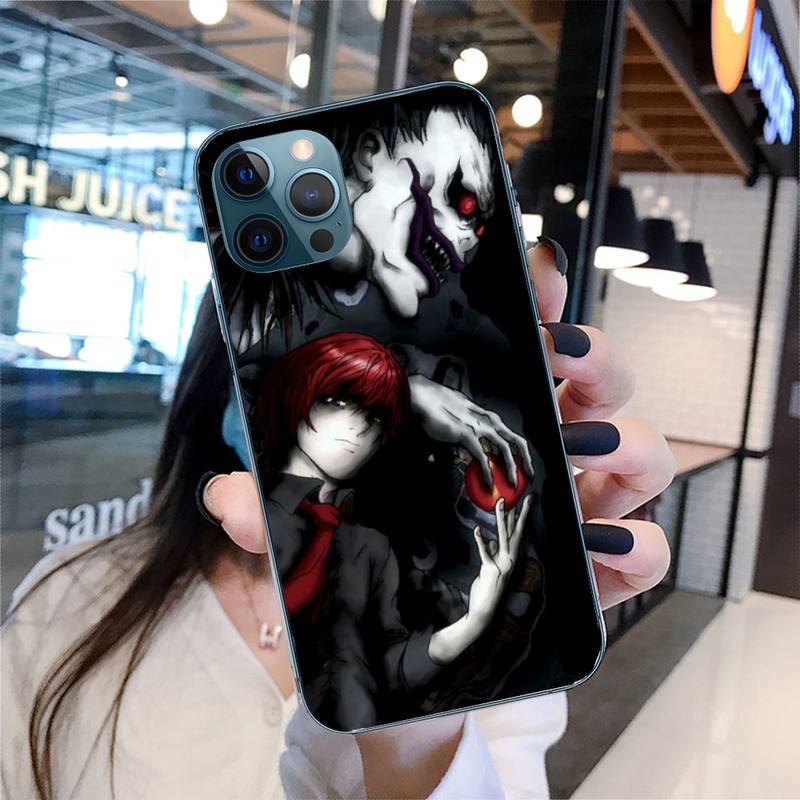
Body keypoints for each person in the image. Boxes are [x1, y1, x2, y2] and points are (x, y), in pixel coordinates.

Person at [1, 242, 674, 799]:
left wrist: (418, 725)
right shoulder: (71, 600)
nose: (347, 428)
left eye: (373, 405)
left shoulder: (489, 625)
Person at [253, 331, 532, 731]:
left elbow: (388, 665)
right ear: (301, 395)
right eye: (338, 402)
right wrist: (410, 388)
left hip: (345, 741)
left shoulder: (367, 547)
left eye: (375, 418)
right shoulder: (252, 509)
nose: (357, 429)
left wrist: (474, 621)